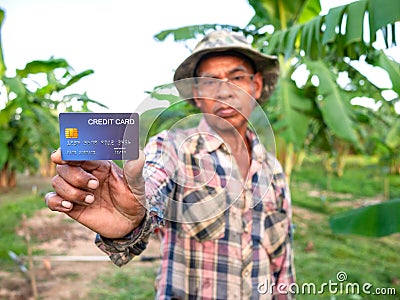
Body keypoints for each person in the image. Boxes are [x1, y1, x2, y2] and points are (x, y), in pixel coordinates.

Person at [45, 30, 295, 299]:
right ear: (196, 94)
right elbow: (152, 181)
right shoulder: (172, 148)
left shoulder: (272, 169)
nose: (225, 91)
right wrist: (133, 215)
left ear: (255, 85)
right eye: (210, 81)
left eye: (236, 78)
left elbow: (282, 262)